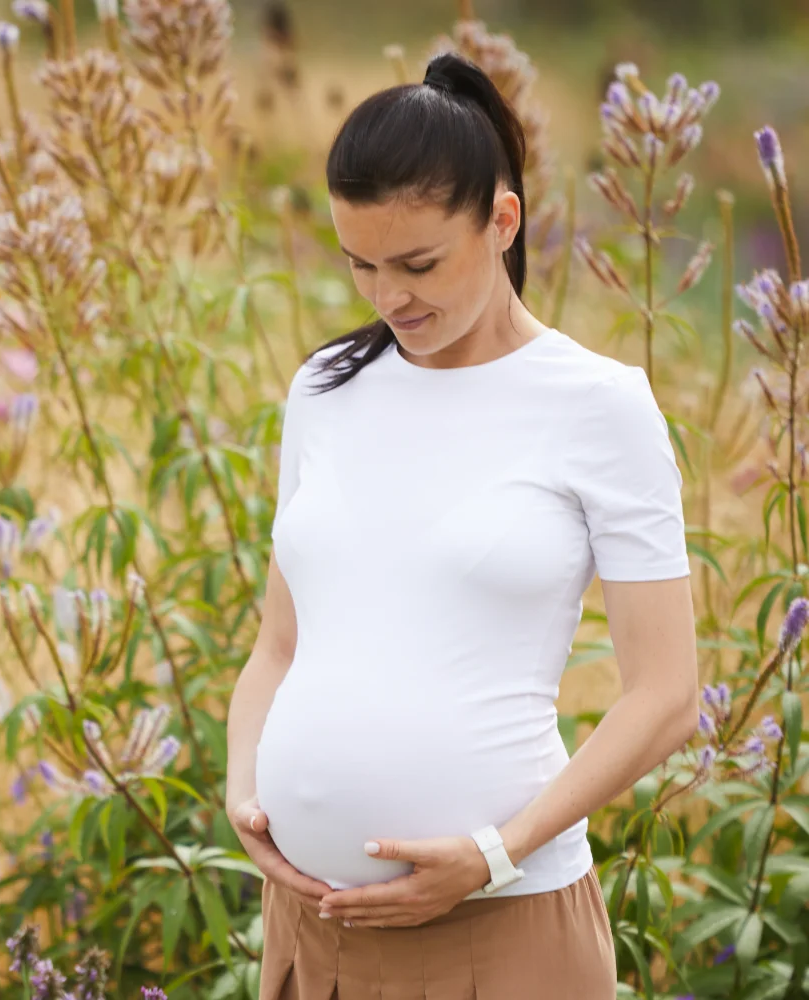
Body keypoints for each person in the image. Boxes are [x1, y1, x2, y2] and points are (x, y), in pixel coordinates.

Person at [225, 50, 699, 1000]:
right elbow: (280, 643)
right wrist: (245, 788)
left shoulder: (598, 404)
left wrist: (493, 852)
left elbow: (667, 694)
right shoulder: (325, 391)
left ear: (503, 220)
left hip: (503, 927)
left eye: (418, 264)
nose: (387, 298)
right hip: (312, 930)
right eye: (359, 264)